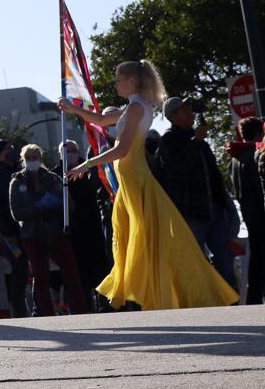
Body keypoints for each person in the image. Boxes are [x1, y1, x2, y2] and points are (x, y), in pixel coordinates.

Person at [60, 61, 237, 311]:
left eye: (118, 78)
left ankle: (160, 292)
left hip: (134, 176)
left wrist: (86, 164)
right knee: (140, 235)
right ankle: (152, 291)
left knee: (146, 236)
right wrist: (73, 108)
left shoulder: (135, 109)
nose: (116, 83)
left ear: (132, 80)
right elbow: (99, 120)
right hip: (129, 179)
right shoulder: (132, 107)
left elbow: (122, 149)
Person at [154, 98, 241, 290]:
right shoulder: (168, 140)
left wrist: (225, 203)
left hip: (215, 211)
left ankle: (230, 302)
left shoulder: (197, 138)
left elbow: (213, 174)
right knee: (194, 262)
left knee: (225, 260)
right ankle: (203, 305)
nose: (191, 114)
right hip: (191, 213)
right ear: (173, 116)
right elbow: (178, 170)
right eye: (185, 110)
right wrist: (197, 142)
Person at [8, 143, 86, 315]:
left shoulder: (53, 179)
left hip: (56, 232)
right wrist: (38, 208)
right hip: (32, 235)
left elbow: (70, 206)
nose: (32, 161)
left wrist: (55, 205)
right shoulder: (17, 181)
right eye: (28, 158)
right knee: (41, 277)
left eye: (35, 157)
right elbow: (16, 213)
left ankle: (80, 311)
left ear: (41, 158)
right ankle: (46, 314)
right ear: (23, 159)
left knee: (71, 274)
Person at [59, 138, 112, 304]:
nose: (71, 154)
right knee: (79, 272)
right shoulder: (56, 175)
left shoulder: (90, 169)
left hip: (94, 226)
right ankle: (83, 305)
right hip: (73, 230)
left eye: (74, 150)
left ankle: (104, 303)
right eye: (67, 151)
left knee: (100, 268)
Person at [0, 140, 30, 316]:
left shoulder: (19, 172)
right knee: (18, 276)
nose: (11, 151)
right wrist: (8, 235)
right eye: (6, 150)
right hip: (13, 236)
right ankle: (19, 314)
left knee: (30, 275)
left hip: (28, 230)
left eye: (12, 147)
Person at [230, 119, 265, 305]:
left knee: (257, 257)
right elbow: (260, 188)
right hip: (259, 212)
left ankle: (254, 298)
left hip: (248, 213)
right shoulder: (253, 155)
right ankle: (254, 297)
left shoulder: (235, 158)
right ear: (259, 134)